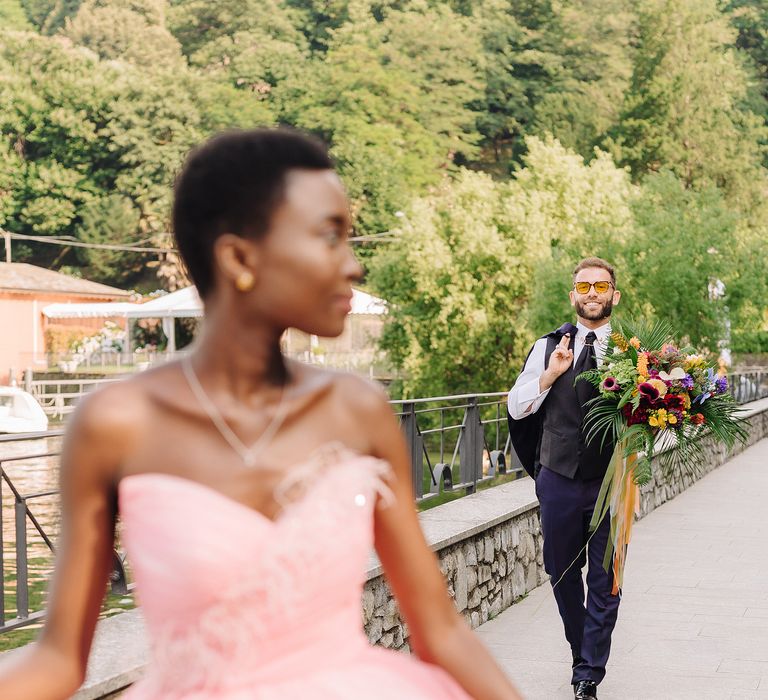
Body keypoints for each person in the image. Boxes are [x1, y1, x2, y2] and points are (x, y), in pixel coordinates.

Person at [0, 128, 522, 699]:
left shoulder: (358, 412)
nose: (353, 266)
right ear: (240, 257)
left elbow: (441, 633)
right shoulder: (116, 425)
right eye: (330, 237)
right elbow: (57, 660)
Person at [507, 258, 622, 700]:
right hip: (557, 476)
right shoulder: (547, 346)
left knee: (606, 578)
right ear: (573, 294)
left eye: (601, 285)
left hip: (610, 479)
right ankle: (583, 651)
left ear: (614, 294)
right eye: (583, 285)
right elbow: (517, 407)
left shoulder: (633, 351)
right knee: (561, 572)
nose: (592, 292)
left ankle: (588, 674)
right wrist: (551, 374)